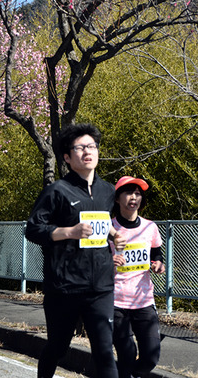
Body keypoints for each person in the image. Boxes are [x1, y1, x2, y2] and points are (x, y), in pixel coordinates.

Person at [25, 123, 127, 378]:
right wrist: (70, 232)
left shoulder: (108, 190)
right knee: (58, 348)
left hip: (100, 286)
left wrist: (115, 235)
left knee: (105, 352)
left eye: (92, 146)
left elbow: (100, 221)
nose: (88, 151)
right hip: (64, 286)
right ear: (68, 157)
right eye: (80, 148)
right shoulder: (56, 190)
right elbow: (33, 229)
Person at [110, 176, 165, 378]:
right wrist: (110, 262)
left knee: (151, 356)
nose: (134, 197)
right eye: (128, 193)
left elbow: (156, 253)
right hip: (115, 301)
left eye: (138, 193)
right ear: (117, 198)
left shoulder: (150, 227)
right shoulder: (108, 227)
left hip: (143, 300)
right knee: (127, 353)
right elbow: (90, 261)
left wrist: (159, 264)